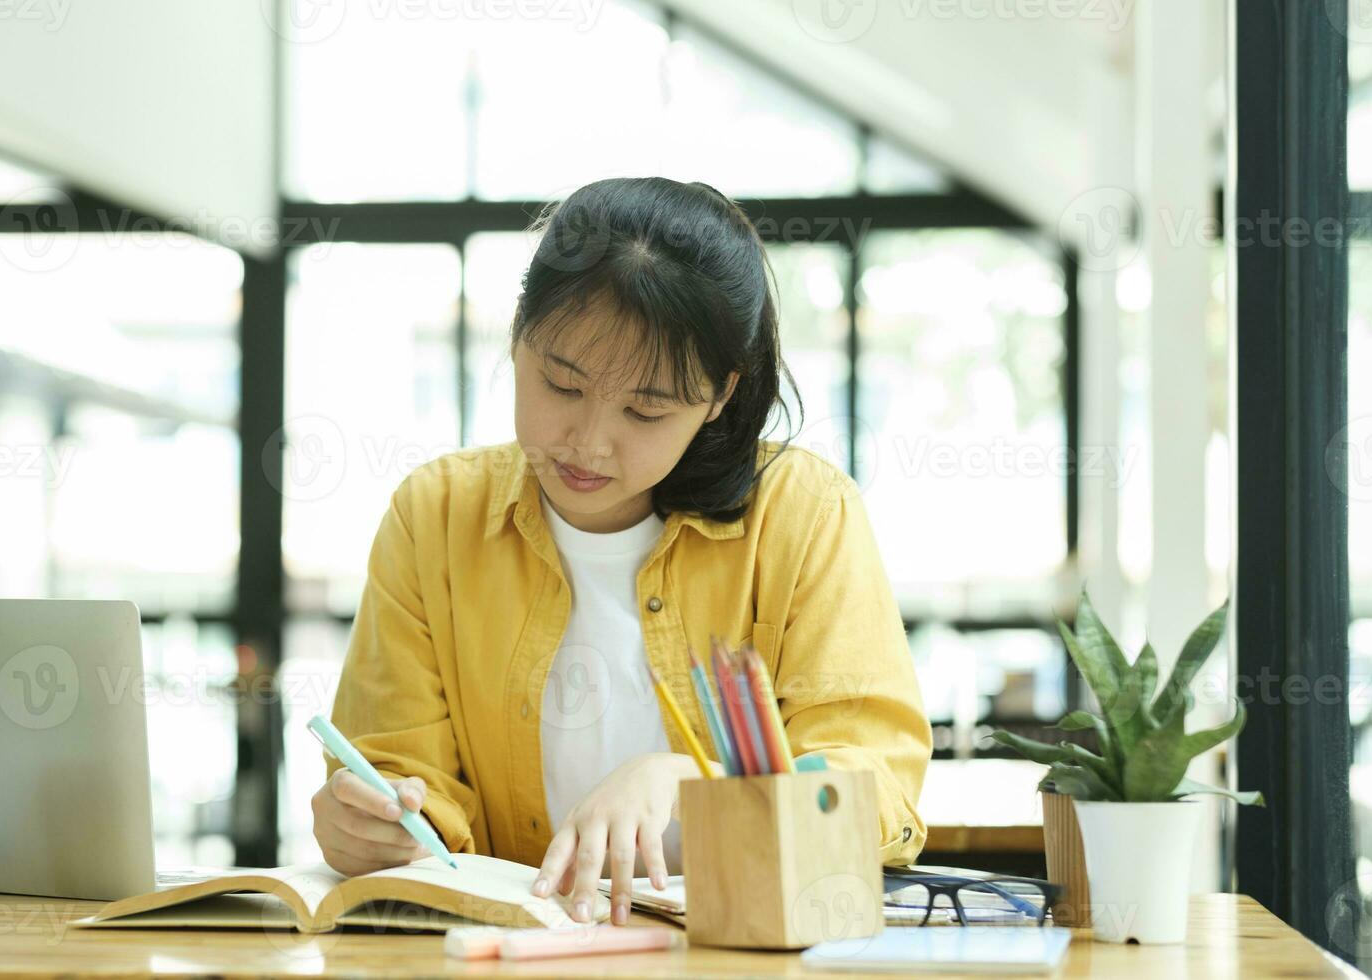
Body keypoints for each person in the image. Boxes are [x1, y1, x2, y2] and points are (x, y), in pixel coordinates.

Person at [311, 176, 931, 927]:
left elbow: (876, 785)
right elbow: (401, 773)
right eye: (560, 385)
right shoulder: (436, 518)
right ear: (517, 333)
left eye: (646, 409)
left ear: (720, 397)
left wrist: (697, 781)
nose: (589, 443)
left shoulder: (802, 514)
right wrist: (380, 825)